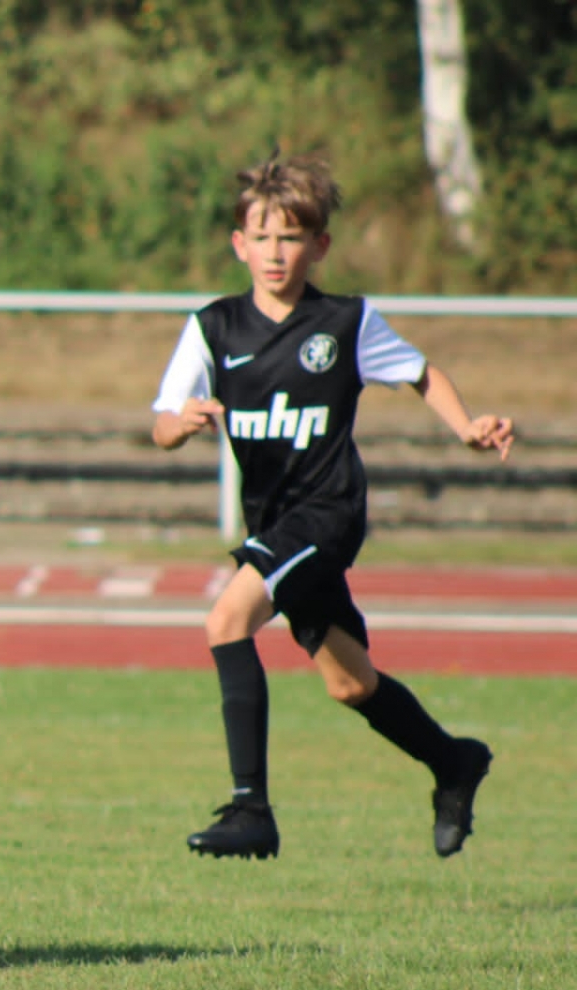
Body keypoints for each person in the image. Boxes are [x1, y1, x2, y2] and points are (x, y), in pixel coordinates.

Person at [151, 154, 514, 861]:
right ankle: (454, 761)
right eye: (261, 237)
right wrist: (182, 423)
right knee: (351, 682)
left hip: (329, 512)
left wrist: (466, 427)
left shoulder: (345, 323)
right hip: (274, 523)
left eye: (290, 238)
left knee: (226, 620)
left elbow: (421, 373)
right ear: (238, 244)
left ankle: (251, 809)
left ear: (319, 245)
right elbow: (162, 422)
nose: (274, 253)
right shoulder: (213, 328)